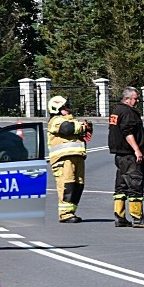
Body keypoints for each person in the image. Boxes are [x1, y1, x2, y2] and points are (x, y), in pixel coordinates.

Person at [108, 87, 144, 228]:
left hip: (120, 156)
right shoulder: (128, 112)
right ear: (127, 99)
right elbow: (128, 132)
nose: (137, 101)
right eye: (135, 98)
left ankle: (120, 217)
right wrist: (137, 150)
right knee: (135, 184)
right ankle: (137, 217)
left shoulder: (116, 111)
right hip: (129, 155)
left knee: (121, 186)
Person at [47, 95, 92, 223]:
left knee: (78, 185)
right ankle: (65, 214)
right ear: (57, 108)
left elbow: (78, 129)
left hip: (77, 157)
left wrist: (83, 128)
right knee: (67, 185)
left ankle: (71, 211)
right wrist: (82, 127)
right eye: (65, 107)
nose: (68, 109)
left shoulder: (72, 120)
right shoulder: (55, 120)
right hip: (62, 159)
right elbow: (67, 129)